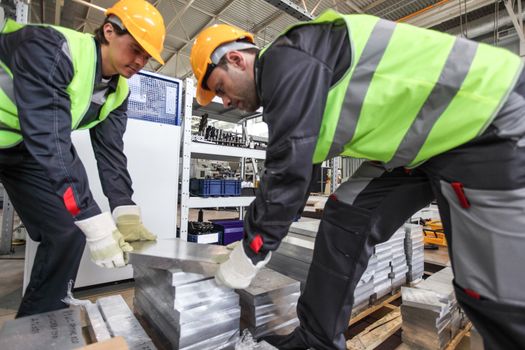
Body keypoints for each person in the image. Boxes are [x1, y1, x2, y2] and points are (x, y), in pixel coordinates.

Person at [190, 9, 525, 350]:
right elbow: (297, 174)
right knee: (346, 214)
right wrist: (255, 235)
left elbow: (287, 167)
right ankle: (317, 338)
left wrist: (252, 250)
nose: (226, 102)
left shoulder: (286, 59)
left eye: (220, 88)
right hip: (420, 145)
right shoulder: (295, 78)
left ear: (236, 59)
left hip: (483, 120)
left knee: (489, 291)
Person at [0, 0, 164, 317]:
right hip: (32, 139)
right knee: (83, 218)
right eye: (136, 48)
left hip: (22, 147)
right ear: (109, 31)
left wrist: (124, 209)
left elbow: (111, 155)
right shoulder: (53, 48)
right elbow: (50, 138)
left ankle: (42, 319)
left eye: (147, 56)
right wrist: (94, 219)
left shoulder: (118, 93)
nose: (141, 60)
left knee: (67, 231)